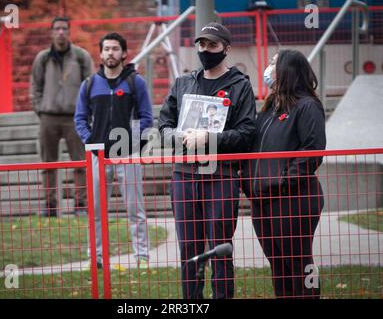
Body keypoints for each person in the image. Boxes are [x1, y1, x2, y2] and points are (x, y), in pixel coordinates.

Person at [158, 22, 256, 299]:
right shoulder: (183, 83)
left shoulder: (240, 86)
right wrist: (180, 136)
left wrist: (210, 138)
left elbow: (247, 133)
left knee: (220, 247)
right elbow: (163, 126)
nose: (205, 50)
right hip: (184, 176)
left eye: (212, 45)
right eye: (201, 44)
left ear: (226, 48)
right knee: (189, 248)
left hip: (220, 177)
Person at [242, 50, 326, 299]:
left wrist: (281, 182)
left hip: (293, 200)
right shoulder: (269, 107)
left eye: (274, 63)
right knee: (279, 267)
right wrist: (250, 184)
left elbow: (312, 151)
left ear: (288, 70)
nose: (268, 67)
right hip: (263, 201)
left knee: (299, 264)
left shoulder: (307, 106)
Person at [74, 32, 153, 269]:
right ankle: (95, 257)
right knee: (96, 210)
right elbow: (79, 119)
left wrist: (133, 145)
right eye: (106, 49)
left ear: (124, 53)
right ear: (100, 54)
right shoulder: (89, 85)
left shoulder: (135, 82)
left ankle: (142, 258)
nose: (111, 53)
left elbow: (147, 118)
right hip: (98, 157)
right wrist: (92, 142)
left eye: (115, 48)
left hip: (128, 156)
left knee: (135, 209)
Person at [30, 16, 93, 217]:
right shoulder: (43, 58)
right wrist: (39, 108)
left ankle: (81, 205)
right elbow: (35, 86)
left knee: (80, 163)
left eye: (64, 29)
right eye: (57, 28)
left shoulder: (81, 56)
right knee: (48, 163)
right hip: (48, 117)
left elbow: (90, 85)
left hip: (75, 116)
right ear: (51, 32)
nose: (60, 32)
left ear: (69, 32)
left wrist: (86, 112)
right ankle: (50, 206)